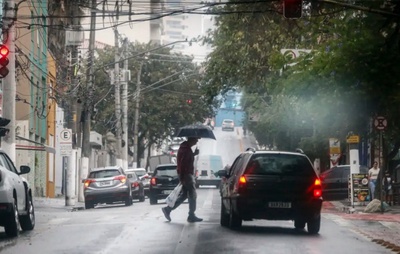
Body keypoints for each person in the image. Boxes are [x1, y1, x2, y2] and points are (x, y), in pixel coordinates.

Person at [162, 137, 203, 223]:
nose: (197, 141)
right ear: (191, 139)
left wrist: (193, 154)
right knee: (192, 194)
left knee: (184, 195)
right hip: (187, 174)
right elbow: (183, 163)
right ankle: (191, 215)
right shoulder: (185, 149)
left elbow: (185, 161)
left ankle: (168, 209)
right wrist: (182, 176)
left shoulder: (185, 148)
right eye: (196, 139)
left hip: (185, 174)